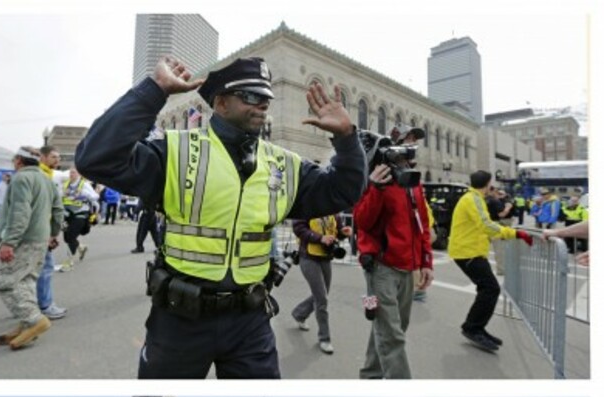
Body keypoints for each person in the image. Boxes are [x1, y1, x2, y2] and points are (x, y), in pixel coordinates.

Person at [75, 54, 366, 379]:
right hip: (179, 322)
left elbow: (343, 191)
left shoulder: (285, 165)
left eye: (266, 98)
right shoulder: (175, 151)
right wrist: (154, 91)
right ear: (221, 102)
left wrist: (346, 139)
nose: (262, 105)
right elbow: (94, 158)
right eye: (250, 96)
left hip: (251, 322)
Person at [353, 124, 434, 379]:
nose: (412, 146)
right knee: (392, 335)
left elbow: (422, 223)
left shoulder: (412, 180)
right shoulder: (373, 177)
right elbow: (362, 221)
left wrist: (426, 261)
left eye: (414, 141)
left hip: (408, 267)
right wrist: (375, 188)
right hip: (380, 268)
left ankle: (370, 375)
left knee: (393, 328)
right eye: (408, 140)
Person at [447, 169, 533, 352]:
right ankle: (472, 327)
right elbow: (486, 225)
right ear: (487, 184)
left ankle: (476, 327)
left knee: (488, 288)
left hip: (471, 251)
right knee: (490, 288)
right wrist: (516, 233)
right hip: (467, 252)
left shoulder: (473, 198)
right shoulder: (473, 199)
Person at [0, 145, 64, 350]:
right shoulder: (45, 179)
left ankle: (34, 320)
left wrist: (9, 242)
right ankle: (26, 325)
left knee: (5, 282)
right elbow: (58, 210)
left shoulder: (21, 179)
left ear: (18, 161)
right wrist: (53, 233)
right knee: (27, 281)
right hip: (40, 239)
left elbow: (20, 213)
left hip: (24, 240)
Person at [290, 214, 351, 354]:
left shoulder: (333, 210)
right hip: (308, 258)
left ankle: (299, 313)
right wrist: (320, 238)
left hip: (325, 257)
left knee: (322, 294)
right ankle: (325, 338)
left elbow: (338, 230)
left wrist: (343, 232)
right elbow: (298, 228)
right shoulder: (307, 206)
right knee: (321, 298)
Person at [36, 146, 69, 318]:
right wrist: (52, 233)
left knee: (34, 269)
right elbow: (52, 207)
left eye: (58, 157)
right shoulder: (42, 176)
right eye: (53, 157)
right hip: (41, 230)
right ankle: (45, 305)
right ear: (42, 157)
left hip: (40, 229)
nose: (57, 160)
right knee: (45, 268)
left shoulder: (48, 175)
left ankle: (29, 305)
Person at [61, 167, 99, 267]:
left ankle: (70, 260)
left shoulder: (84, 185)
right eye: (70, 173)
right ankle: (81, 248)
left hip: (80, 214)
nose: (71, 174)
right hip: (67, 215)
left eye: (73, 173)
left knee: (71, 236)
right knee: (66, 238)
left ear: (79, 174)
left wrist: (84, 194)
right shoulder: (65, 184)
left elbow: (95, 196)